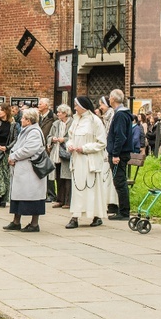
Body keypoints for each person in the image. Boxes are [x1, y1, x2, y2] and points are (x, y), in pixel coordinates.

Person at [64, 97, 107, 228]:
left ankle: (96, 215)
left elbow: (101, 143)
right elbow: (70, 137)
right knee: (77, 189)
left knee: (91, 189)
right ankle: (75, 216)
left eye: (76, 105)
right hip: (77, 160)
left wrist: (84, 148)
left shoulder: (95, 121)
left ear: (83, 106)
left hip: (89, 161)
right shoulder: (75, 120)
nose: (75, 108)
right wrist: (70, 145)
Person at [3, 108, 47, 232]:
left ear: (28, 120)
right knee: (19, 196)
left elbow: (29, 149)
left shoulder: (34, 132)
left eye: (23, 118)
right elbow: (19, 145)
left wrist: (14, 156)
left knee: (32, 197)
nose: (21, 120)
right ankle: (16, 221)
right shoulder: (26, 130)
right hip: (23, 170)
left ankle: (34, 224)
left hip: (30, 171)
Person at [106, 89, 133, 221]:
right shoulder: (121, 114)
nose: (109, 99)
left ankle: (124, 211)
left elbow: (119, 136)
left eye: (110, 97)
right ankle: (123, 210)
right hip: (121, 153)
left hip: (119, 154)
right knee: (119, 182)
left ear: (113, 99)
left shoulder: (120, 115)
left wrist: (115, 154)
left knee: (120, 182)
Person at [47, 105, 73, 209]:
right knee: (58, 177)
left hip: (66, 153)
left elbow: (74, 137)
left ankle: (68, 201)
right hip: (56, 153)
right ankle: (60, 199)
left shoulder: (72, 123)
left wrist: (64, 139)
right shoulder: (55, 124)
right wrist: (52, 139)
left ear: (65, 113)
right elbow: (49, 136)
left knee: (67, 178)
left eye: (60, 113)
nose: (58, 114)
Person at [38, 98, 57, 202]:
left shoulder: (52, 117)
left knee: (49, 170)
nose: (38, 105)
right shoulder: (39, 117)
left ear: (46, 105)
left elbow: (55, 131)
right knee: (42, 171)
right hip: (40, 147)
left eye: (40, 104)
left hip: (49, 147)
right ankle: (43, 192)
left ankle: (51, 194)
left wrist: (50, 144)